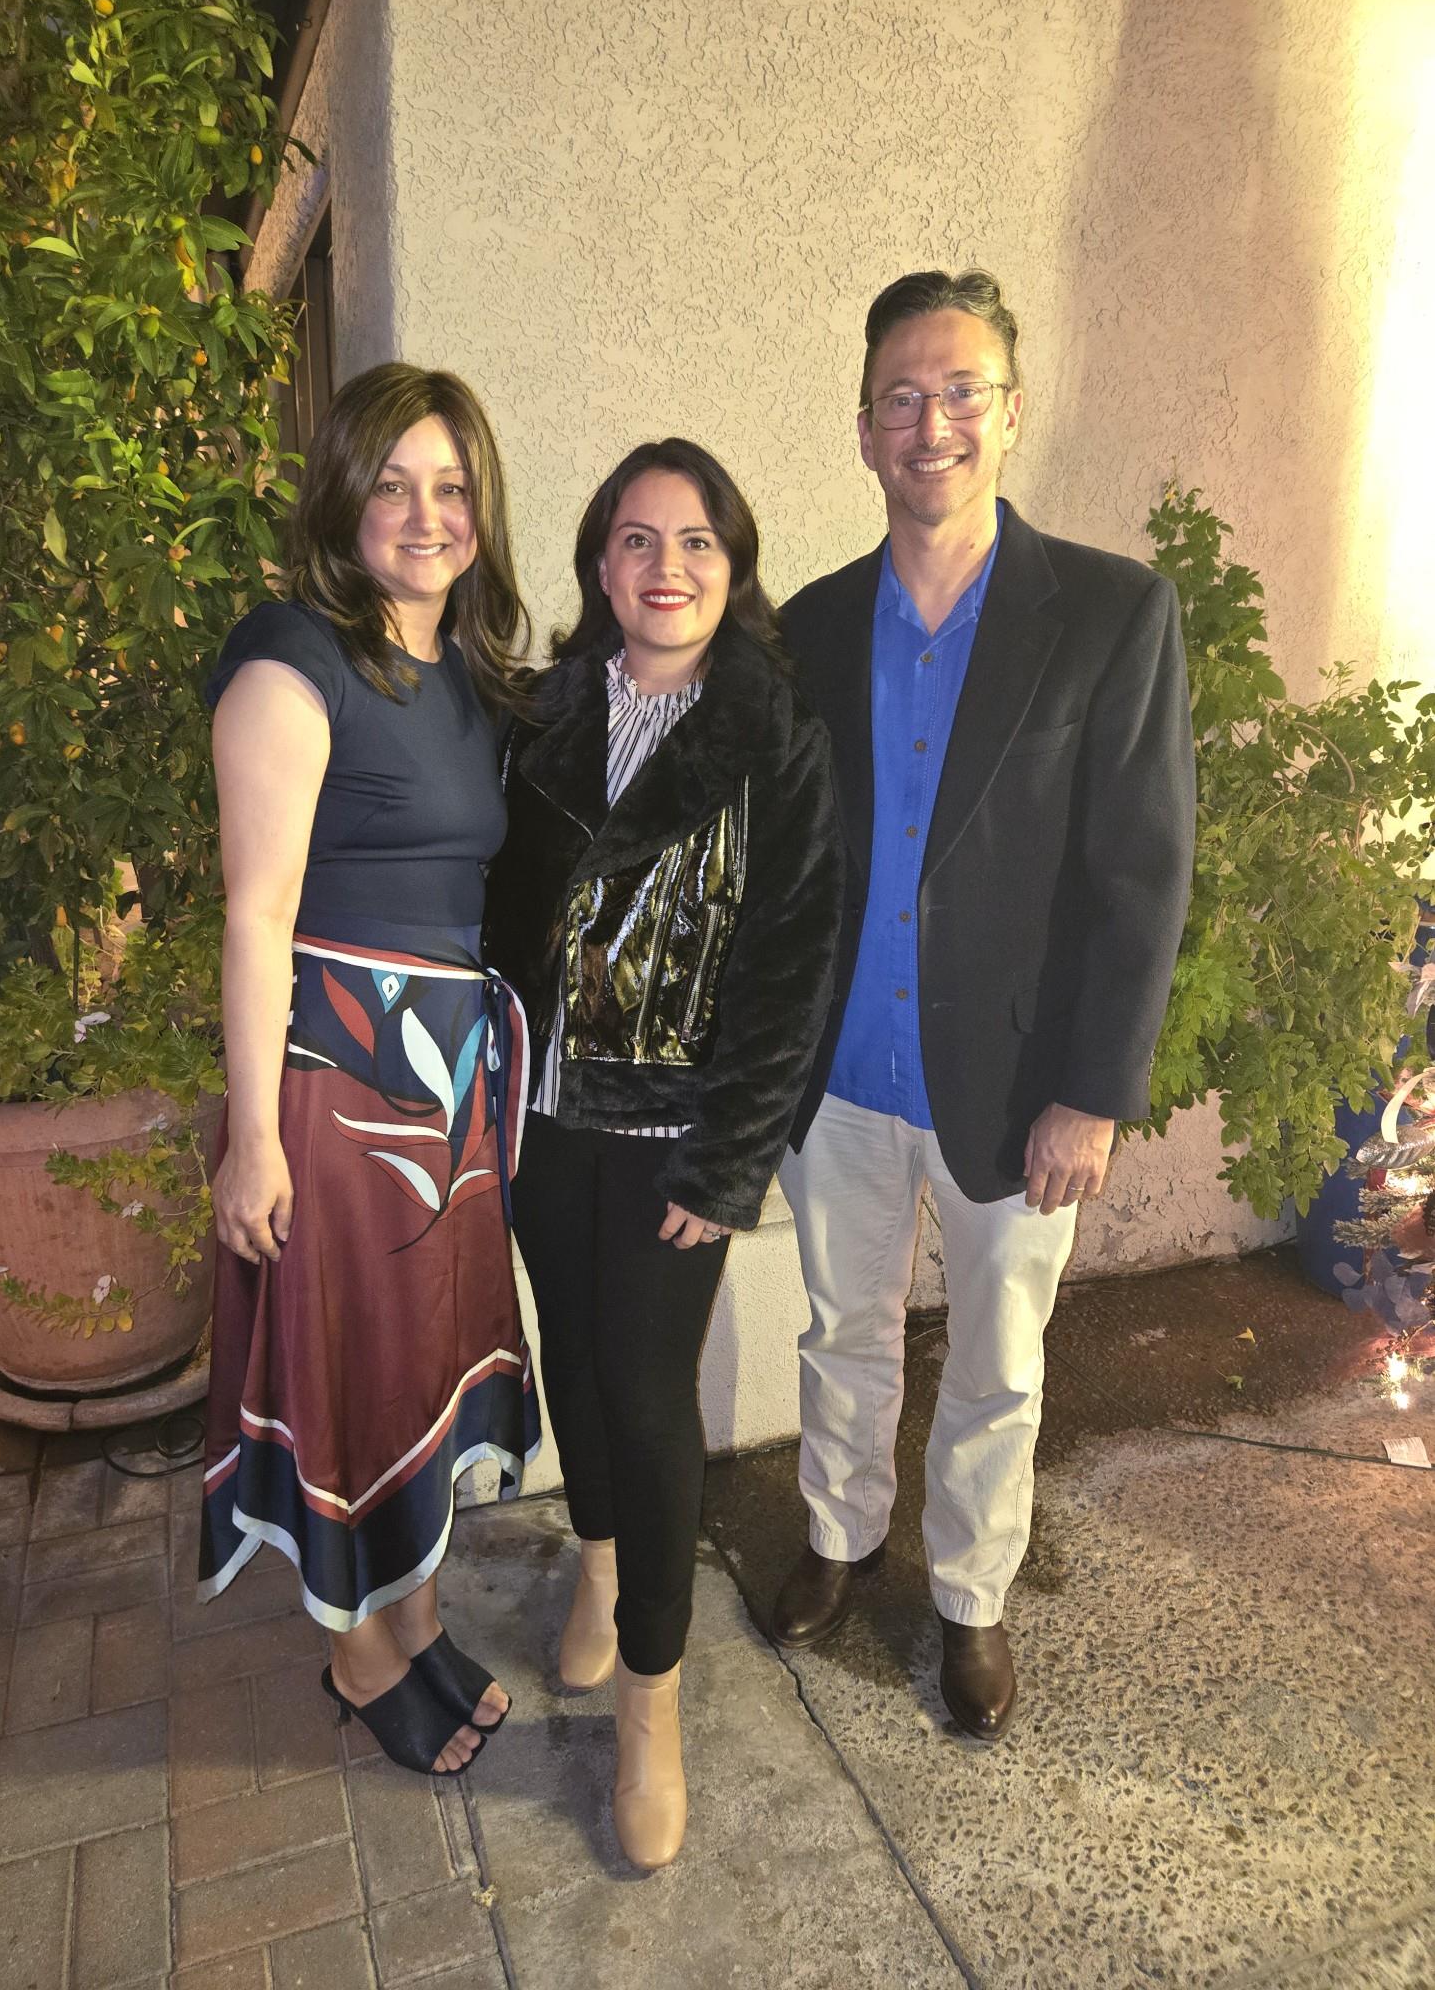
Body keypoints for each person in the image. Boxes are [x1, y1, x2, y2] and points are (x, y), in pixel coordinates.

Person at [769, 270, 1196, 1741]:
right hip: (842, 1068)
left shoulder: (1113, 616)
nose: (931, 420)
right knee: (844, 1328)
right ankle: (838, 1537)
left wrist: (1096, 1086)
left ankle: (971, 1596)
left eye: (961, 392)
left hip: (1019, 1084)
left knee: (1001, 1363)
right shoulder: (810, 629)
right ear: (866, 430)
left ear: (1011, 415)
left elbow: (1142, 873)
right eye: (902, 395)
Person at [483, 439, 841, 1867]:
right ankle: (599, 1561)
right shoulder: (543, 716)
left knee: (644, 1397)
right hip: (538, 1120)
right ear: (599, 565)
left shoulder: (772, 740)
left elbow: (791, 968)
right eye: (636, 540)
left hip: (671, 1139)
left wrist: (726, 1161)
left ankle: (653, 1700)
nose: (666, 567)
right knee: (570, 1355)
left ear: (733, 565)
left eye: (695, 541)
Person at [199, 363, 540, 1779]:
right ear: (343, 498)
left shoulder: (470, 670)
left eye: (451, 486)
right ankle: (355, 1652)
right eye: (392, 482)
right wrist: (258, 1143)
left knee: (417, 1372)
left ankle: (414, 1614)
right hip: (333, 1095)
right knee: (356, 1375)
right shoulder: (293, 659)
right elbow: (254, 913)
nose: (425, 512)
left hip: (443, 1095)